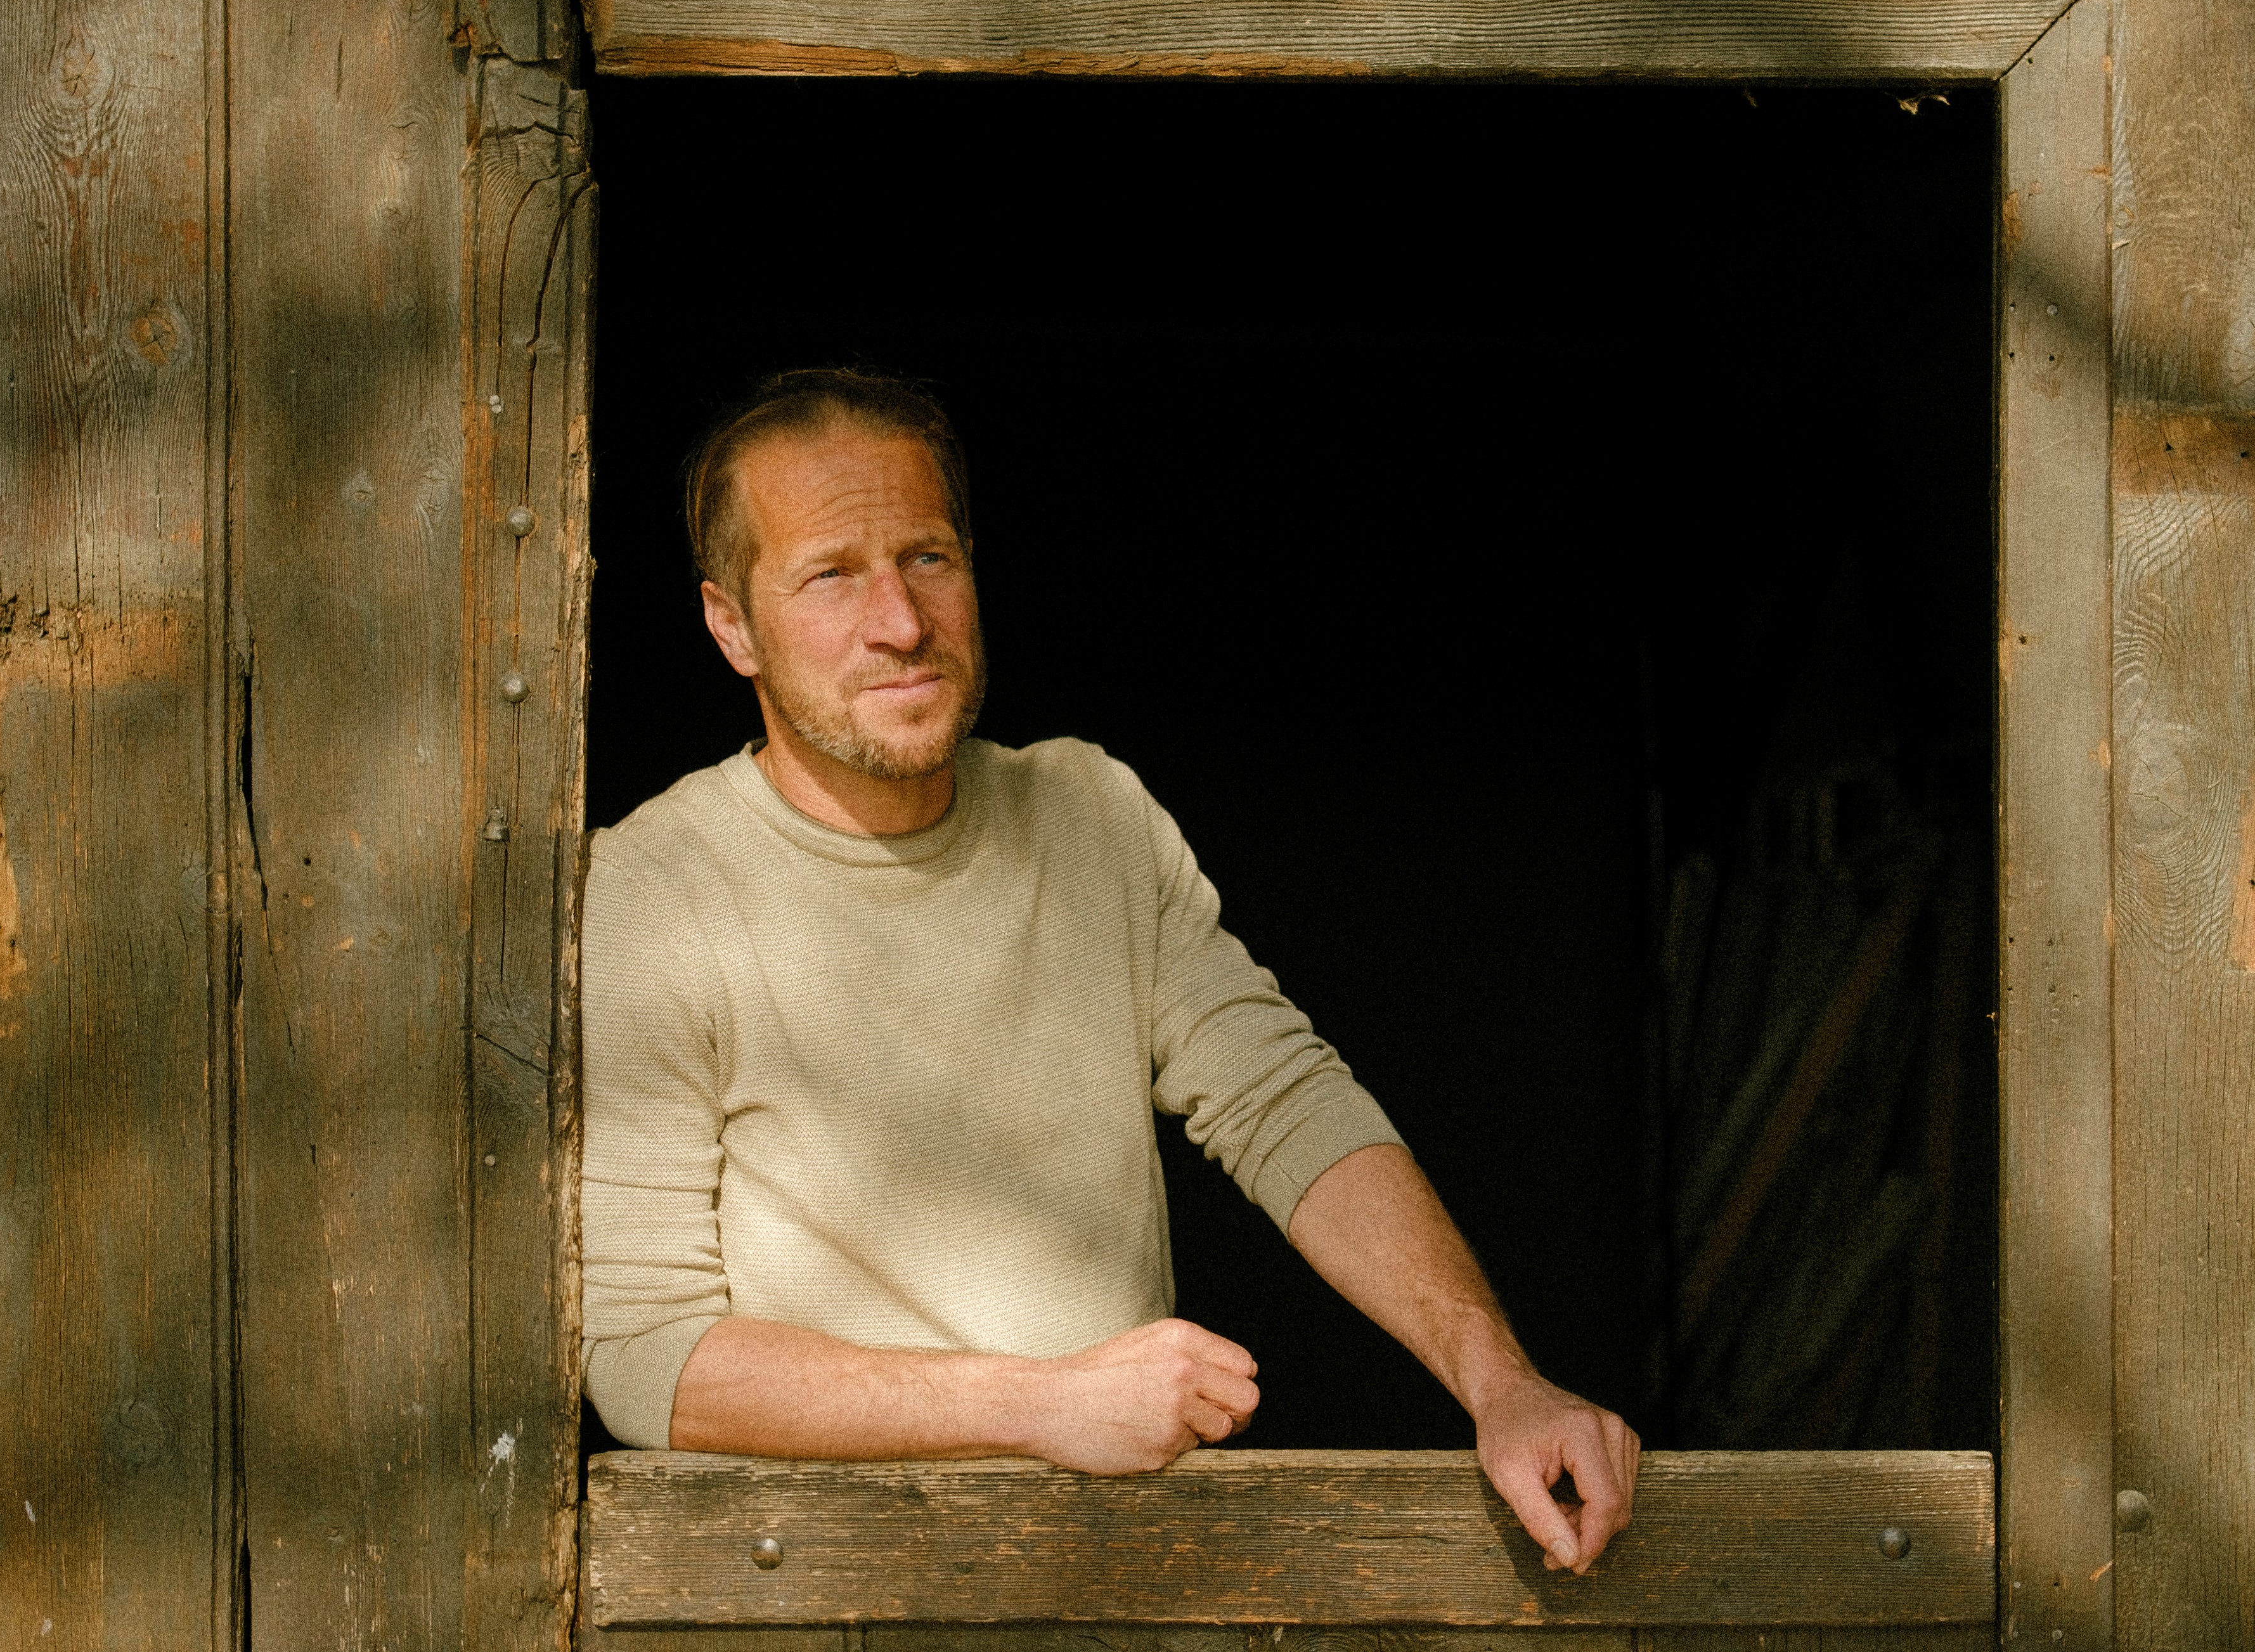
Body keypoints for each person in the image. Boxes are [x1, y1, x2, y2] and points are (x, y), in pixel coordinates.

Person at [578, 368, 1640, 1571]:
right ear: (732, 627)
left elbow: (1283, 1102)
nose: (901, 623)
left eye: (927, 557)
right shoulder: (652, 887)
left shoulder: (1091, 812)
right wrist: (1039, 1404)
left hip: (1122, 1585)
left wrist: (1501, 1382)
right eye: (831, 575)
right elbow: (645, 1360)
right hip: (815, 1612)